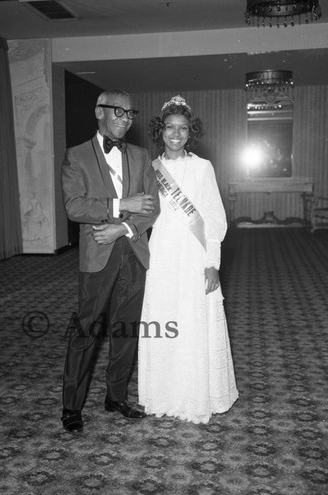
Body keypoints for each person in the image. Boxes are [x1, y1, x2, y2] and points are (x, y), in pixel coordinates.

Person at [61, 89, 160, 432]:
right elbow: (74, 206)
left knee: (126, 329)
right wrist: (122, 205)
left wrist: (122, 228)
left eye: (131, 114)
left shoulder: (141, 155)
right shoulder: (76, 156)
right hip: (97, 255)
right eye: (119, 112)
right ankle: (72, 405)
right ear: (99, 112)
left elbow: (152, 207)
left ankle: (115, 397)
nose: (126, 120)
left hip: (131, 250)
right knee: (86, 330)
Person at [138, 95, 238, 424]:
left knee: (193, 321)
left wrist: (213, 263)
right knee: (166, 320)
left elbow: (214, 218)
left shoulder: (202, 168)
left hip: (194, 255)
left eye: (183, 128)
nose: (176, 134)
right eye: (170, 128)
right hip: (164, 254)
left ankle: (195, 395)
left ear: (190, 132)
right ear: (160, 130)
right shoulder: (150, 169)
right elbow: (145, 215)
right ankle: (164, 394)